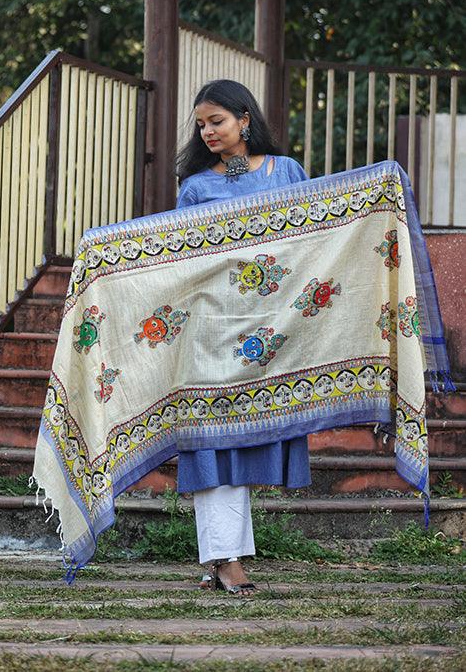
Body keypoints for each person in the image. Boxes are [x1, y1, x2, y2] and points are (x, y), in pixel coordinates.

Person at [176, 79, 311, 596]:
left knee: (245, 442)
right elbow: (186, 260)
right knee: (215, 441)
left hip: (273, 331)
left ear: (244, 119)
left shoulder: (288, 173)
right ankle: (228, 561)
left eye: (217, 121)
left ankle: (220, 559)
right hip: (213, 328)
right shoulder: (196, 187)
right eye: (201, 125)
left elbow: (312, 242)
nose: (208, 131)